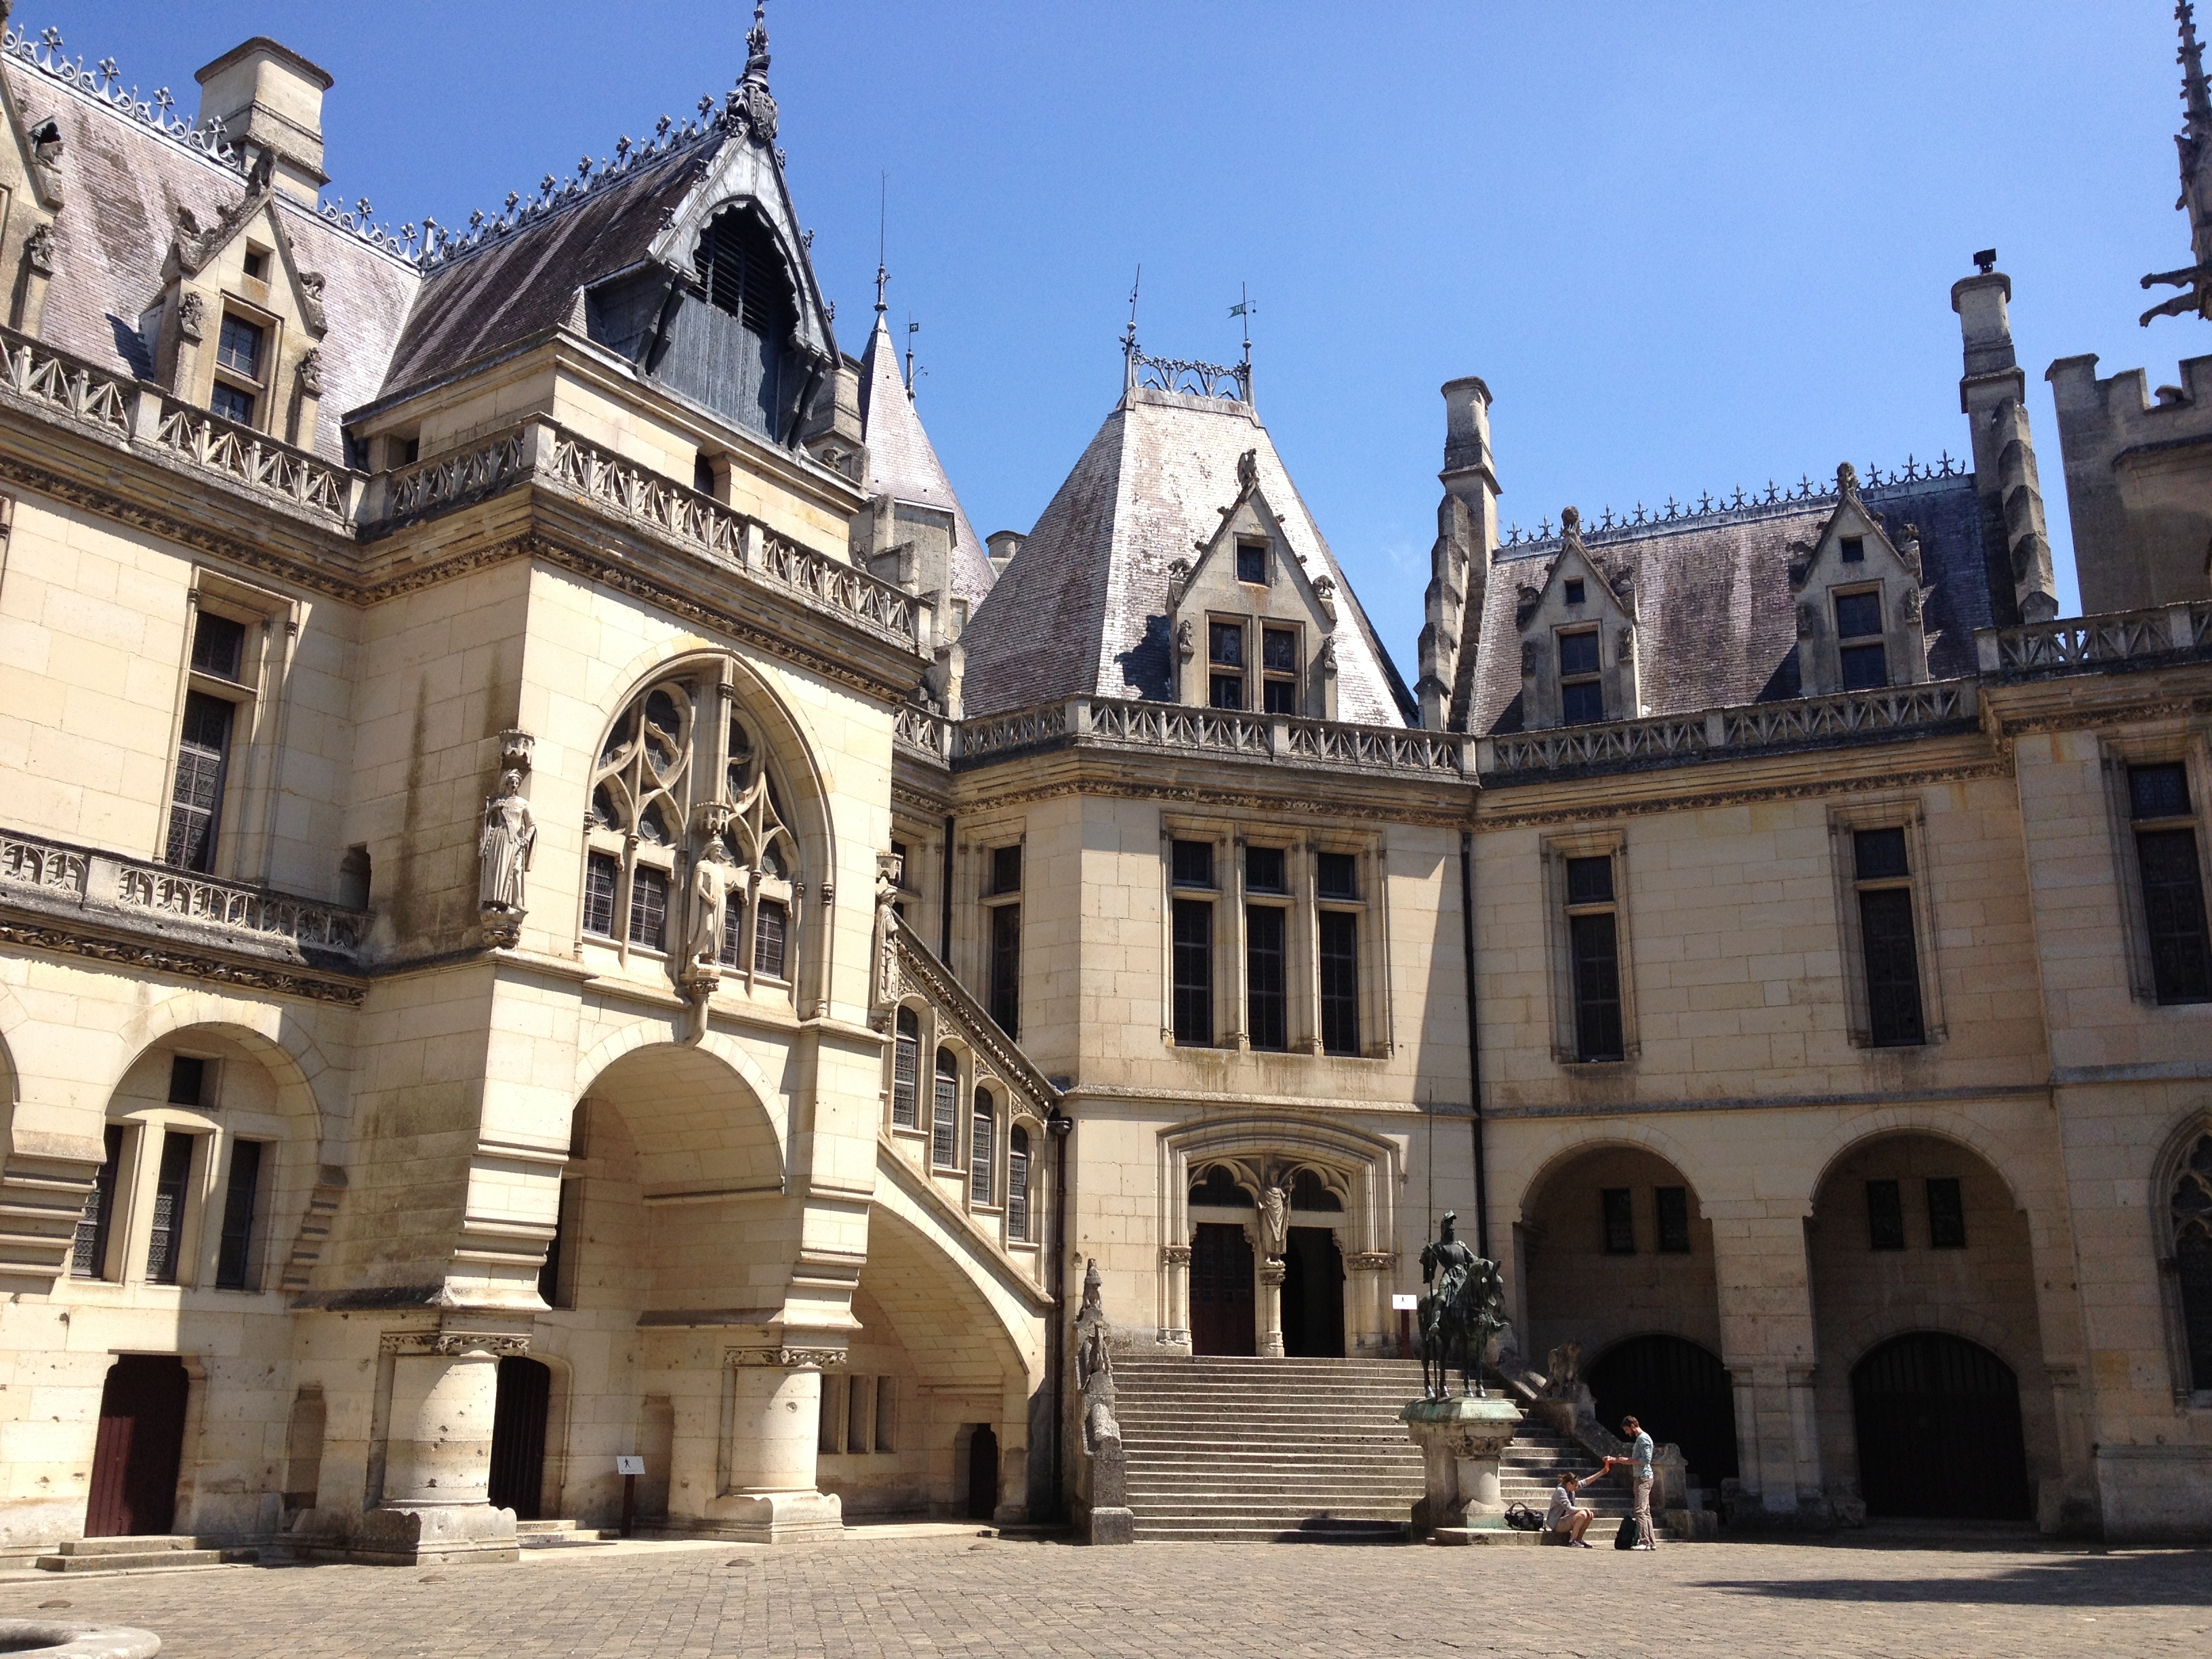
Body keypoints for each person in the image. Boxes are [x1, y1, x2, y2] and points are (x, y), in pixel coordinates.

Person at [1601, 1414, 1658, 1549]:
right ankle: (1650, 1542)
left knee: (1640, 1510)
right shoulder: (1640, 1439)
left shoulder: (1643, 1439)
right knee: (1646, 1511)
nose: (1627, 1433)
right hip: (1641, 1477)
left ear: (1632, 1426)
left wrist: (1623, 1460)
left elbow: (1645, 1460)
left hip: (1643, 1478)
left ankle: (1644, 1542)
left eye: (1627, 1429)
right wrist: (1618, 1460)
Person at [1544, 1469, 1596, 1547]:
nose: (1576, 1487)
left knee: (1590, 1515)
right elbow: (1569, 1509)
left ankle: (1579, 1539)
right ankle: (1572, 1541)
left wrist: (1603, 1472)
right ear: (1569, 1484)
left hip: (1567, 1519)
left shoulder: (1571, 1488)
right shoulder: (1560, 1491)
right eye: (1575, 1485)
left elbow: (1585, 1482)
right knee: (1582, 1514)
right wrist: (1584, 1508)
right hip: (1557, 1523)